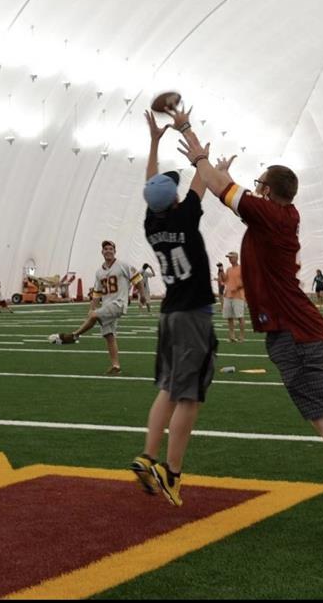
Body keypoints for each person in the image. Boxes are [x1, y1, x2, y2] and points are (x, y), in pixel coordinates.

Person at [177, 130, 323, 550]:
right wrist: (219, 174)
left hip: (294, 331)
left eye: (259, 185)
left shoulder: (270, 215)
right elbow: (225, 189)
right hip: (297, 328)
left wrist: (195, 148)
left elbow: (220, 189)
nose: (254, 190)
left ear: (269, 192)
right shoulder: (276, 216)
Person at [130, 106, 217, 508]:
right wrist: (191, 136)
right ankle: (172, 470)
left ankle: (148, 456)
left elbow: (153, 185)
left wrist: (153, 143)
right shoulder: (185, 217)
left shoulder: (153, 223)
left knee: (168, 388)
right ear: (175, 199)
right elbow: (202, 176)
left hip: (168, 315)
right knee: (189, 396)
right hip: (192, 314)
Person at [48, 241, 146, 375]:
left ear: (115, 251)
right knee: (109, 335)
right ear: (102, 252)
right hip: (107, 305)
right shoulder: (99, 272)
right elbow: (97, 293)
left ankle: (75, 335)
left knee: (94, 316)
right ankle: (116, 366)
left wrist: (142, 296)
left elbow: (137, 279)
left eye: (111, 249)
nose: (108, 251)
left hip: (118, 304)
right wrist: (92, 307)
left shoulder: (123, 265)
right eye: (106, 249)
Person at [219, 251, 246, 342]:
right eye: (229, 258)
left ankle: (241, 336)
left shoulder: (242, 268)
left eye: (231, 257)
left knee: (240, 317)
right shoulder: (228, 269)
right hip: (228, 295)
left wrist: (237, 288)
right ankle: (232, 336)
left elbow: (246, 281)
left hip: (238, 296)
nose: (229, 259)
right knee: (229, 317)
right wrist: (221, 270)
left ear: (236, 258)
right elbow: (224, 280)